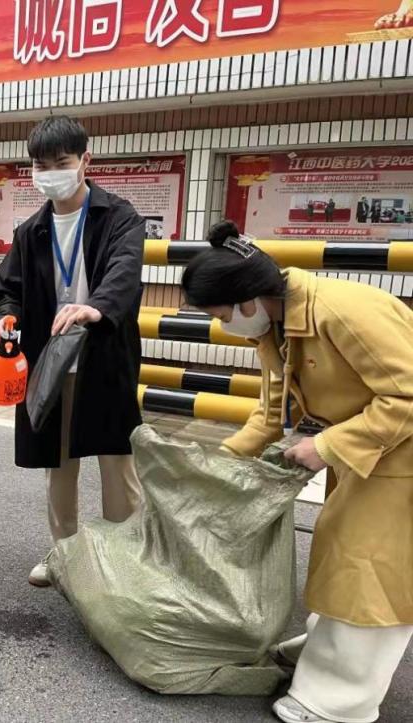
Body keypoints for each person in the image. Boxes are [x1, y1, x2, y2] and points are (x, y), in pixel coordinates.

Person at [180, 220, 413, 723]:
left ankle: (338, 699)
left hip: (402, 451)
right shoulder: (276, 324)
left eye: (221, 316)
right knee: (339, 549)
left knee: (371, 568)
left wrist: (327, 445)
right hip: (374, 447)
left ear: (247, 300)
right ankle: (326, 647)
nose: (223, 326)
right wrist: (220, 463)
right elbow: (271, 412)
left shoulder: (343, 312)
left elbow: (408, 396)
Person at [0, 116, 144, 588]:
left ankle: (125, 561)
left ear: (85, 161)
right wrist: (5, 315)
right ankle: (65, 555)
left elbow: (124, 268)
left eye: (61, 162)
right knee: (57, 467)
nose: (51, 173)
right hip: (50, 364)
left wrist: (97, 307)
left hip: (103, 358)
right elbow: (9, 287)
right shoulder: (31, 230)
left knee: (117, 464)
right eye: (41, 165)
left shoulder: (118, 217)